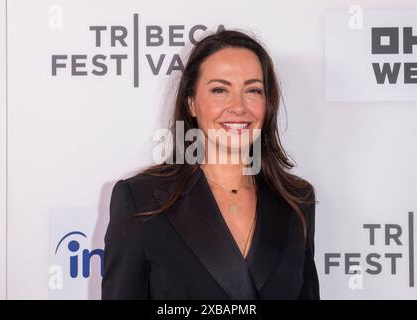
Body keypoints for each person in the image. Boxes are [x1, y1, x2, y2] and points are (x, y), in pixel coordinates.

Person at [102, 29, 319, 299]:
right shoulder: (141, 200)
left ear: (268, 103)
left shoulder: (296, 200)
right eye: (219, 90)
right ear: (191, 102)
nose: (238, 107)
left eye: (253, 90)